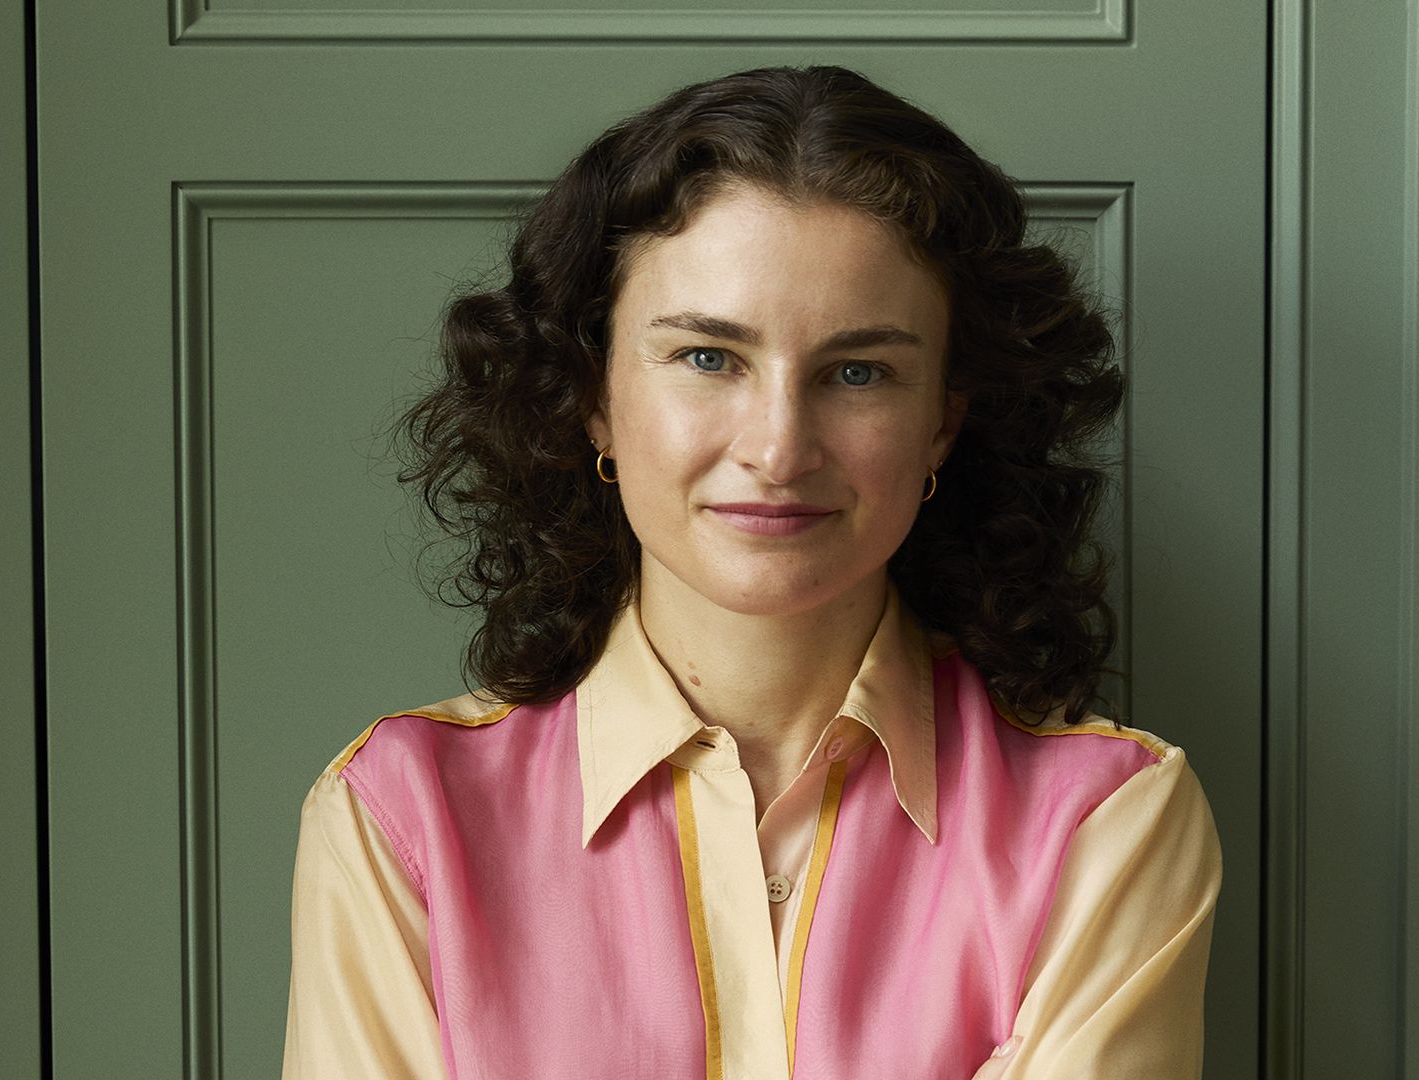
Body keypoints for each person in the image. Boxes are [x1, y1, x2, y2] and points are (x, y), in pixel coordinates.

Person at [281, 64, 1221, 1079]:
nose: (779, 448)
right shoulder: (401, 817)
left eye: (858, 372)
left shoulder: (1103, 818)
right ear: (594, 396)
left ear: (944, 420)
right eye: (707, 358)